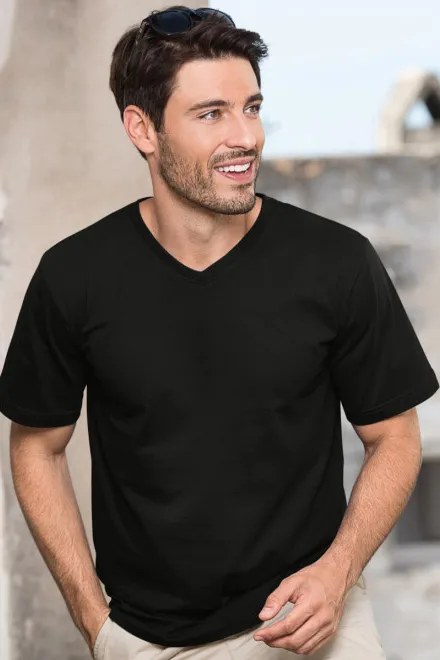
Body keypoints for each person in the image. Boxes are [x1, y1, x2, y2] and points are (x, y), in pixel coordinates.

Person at [0, 5, 438, 659]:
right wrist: (97, 624)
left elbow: (395, 438)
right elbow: (37, 447)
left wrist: (338, 571)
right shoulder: (74, 277)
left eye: (251, 108)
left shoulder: (336, 262)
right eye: (211, 114)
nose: (246, 137)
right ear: (142, 129)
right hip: (152, 641)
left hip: (313, 623)